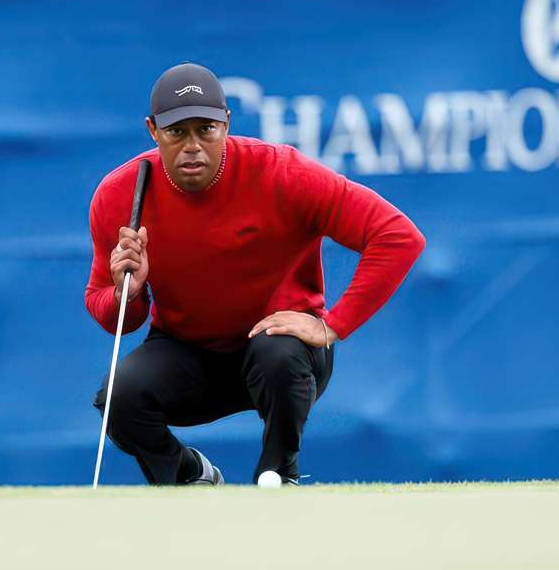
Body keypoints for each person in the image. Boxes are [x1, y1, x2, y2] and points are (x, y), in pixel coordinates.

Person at [85, 62, 426, 486]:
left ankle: (278, 474)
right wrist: (128, 294)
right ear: (154, 131)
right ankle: (188, 476)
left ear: (226, 124)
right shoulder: (121, 194)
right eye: (177, 132)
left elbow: (397, 235)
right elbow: (109, 312)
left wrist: (333, 325)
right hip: (186, 353)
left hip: (280, 354)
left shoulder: (282, 172)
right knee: (120, 397)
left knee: (278, 353)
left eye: (205, 129)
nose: (193, 145)